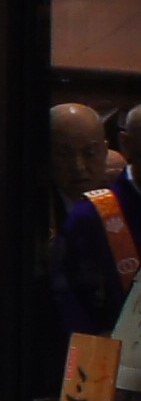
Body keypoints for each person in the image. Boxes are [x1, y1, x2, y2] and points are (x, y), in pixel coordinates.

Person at [50, 102, 130, 336]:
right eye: (64, 154)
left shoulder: (124, 204)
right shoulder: (24, 213)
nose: (79, 166)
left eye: (90, 153)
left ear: (106, 151)